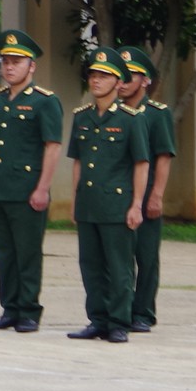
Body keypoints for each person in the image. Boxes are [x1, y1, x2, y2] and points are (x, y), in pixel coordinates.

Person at [0, 29, 62, 335]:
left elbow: (52, 147)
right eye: (5, 61)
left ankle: (29, 311)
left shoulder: (44, 102)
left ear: (31, 66)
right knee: (5, 253)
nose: (9, 66)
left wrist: (42, 188)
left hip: (27, 190)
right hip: (0, 188)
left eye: (16, 61)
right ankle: (10, 308)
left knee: (27, 253)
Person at [65, 48, 149, 344]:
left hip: (117, 204)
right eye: (93, 75)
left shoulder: (130, 119)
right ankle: (97, 319)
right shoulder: (82, 117)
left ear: (118, 82)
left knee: (119, 266)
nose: (96, 81)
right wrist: (75, 200)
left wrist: (137, 204)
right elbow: (77, 161)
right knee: (90, 264)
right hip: (89, 203)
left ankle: (118, 321)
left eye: (104, 76)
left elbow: (141, 163)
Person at [115, 44, 172, 333]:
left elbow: (163, 156)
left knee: (146, 256)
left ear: (145, 80)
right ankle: (120, 310)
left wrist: (157, 195)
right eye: (121, 76)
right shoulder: (112, 112)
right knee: (118, 257)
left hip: (146, 192)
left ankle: (144, 312)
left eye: (131, 76)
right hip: (116, 193)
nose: (123, 82)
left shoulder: (156, 114)